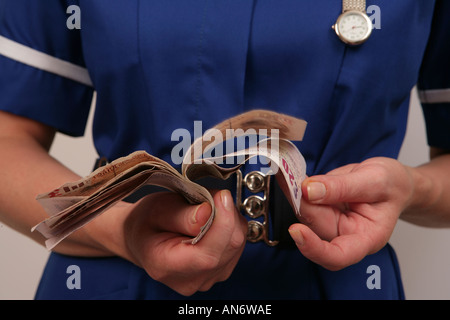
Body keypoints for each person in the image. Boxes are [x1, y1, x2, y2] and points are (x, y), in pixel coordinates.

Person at [0, 0, 449, 300]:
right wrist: (123, 231)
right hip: (113, 277)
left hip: (340, 280)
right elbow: (7, 142)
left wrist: (414, 188)